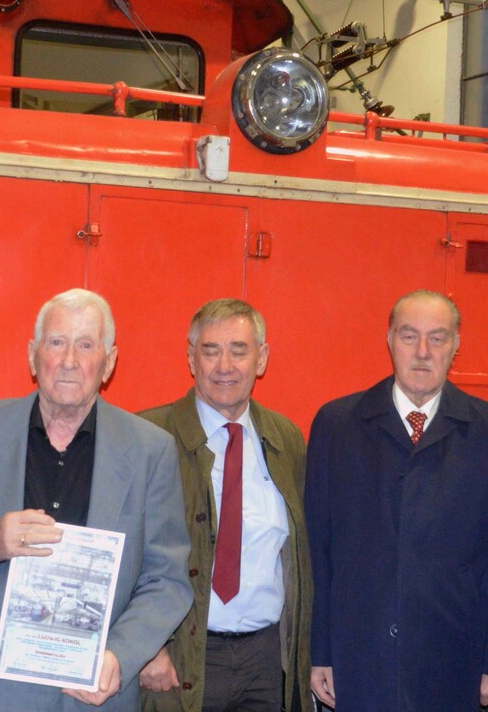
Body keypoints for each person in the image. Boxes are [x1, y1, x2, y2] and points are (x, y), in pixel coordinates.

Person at [0, 288, 192, 711]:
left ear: (108, 362)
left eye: (86, 345)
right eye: (57, 342)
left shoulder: (150, 452)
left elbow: (166, 581)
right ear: (33, 355)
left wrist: (121, 656)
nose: (70, 359)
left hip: (87, 692)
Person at [306, 289, 488, 711]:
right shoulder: (338, 426)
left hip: (455, 659)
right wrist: (320, 652)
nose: (423, 351)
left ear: (456, 345)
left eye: (437, 338)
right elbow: (320, 549)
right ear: (389, 340)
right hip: (359, 659)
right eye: (409, 336)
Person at [139, 299, 312, 712]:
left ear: (262, 358)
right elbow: (122, 553)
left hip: (266, 661)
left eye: (239, 350)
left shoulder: (286, 439)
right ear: (191, 358)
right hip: (179, 661)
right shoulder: (148, 436)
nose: (225, 365)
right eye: (211, 350)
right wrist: (147, 648)